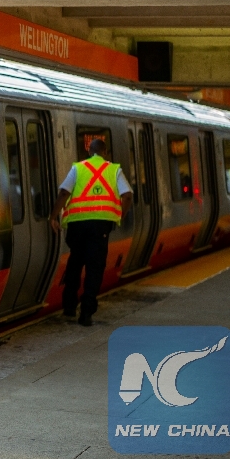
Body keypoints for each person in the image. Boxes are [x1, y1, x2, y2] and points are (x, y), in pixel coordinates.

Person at [49, 138, 132, 326]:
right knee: (95, 268)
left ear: (89, 152)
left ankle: (69, 307)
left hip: (77, 225)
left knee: (75, 263)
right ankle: (86, 313)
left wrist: (53, 217)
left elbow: (64, 193)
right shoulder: (114, 170)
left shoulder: (78, 168)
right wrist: (119, 215)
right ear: (106, 152)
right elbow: (127, 195)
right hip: (100, 227)